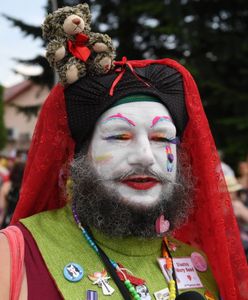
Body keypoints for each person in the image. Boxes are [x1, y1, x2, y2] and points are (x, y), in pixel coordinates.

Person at [1, 4, 248, 300]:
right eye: (120, 135)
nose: (145, 156)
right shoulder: (15, 255)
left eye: (161, 138)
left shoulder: (201, 266)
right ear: (79, 157)